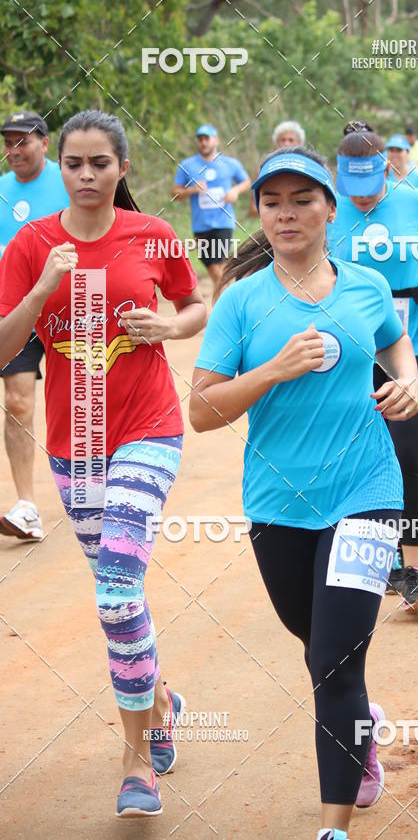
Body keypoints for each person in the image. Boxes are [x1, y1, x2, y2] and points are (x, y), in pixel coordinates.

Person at [190, 147, 418, 840]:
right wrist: (273, 370)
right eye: (272, 201)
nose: (286, 213)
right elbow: (202, 411)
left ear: (329, 207)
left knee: (333, 664)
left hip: (367, 489)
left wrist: (404, 378)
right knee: (313, 639)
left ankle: (333, 828)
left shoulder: (366, 285)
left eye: (301, 199)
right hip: (278, 503)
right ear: (257, 210)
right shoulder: (241, 301)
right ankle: (363, 728)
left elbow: (394, 338)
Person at [0, 109, 207, 818]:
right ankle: (162, 700)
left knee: (117, 590)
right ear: (59, 168)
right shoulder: (31, 243)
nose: (86, 176)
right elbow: (3, 350)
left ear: (122, 168)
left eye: (100, 164)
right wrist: (40, 288)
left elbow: (194, 302)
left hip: (147, 426)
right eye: (74, 164)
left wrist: (169, 326)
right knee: (119, 596)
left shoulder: (150, 234)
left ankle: (136, 759)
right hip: (75, 439)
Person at [328, 130, 418, 612]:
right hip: (349, 355)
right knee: (356, 456)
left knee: (410, 454)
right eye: (351, 185)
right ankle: (374, 563)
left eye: (369, 184)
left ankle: (414, 572)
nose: (360, 195)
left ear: (388, 170)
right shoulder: (328, 208)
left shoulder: (414, 200)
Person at [0, 111, 70, 541]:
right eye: (8, 141)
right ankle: (27, 505)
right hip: (17, 307)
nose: (14, 149)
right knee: (18, 400)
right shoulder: (1, 189)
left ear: (45, 143)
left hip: (74, 304)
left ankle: (96, 482)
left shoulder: (72, 179)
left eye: (23, 140)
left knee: (85, 395)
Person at [173, 123, 250, 290]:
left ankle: (225, 301)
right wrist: (192, 190)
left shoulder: (230, 164)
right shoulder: (188, 165)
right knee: (212, 266)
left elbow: (246, 182)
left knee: (218, 266)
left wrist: (235, 191)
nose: (203, 142)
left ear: (215, 140)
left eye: (206, 139)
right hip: (200, 224)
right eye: (200, 139)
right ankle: (229, 294)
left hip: (223, 221)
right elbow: (175, 193)